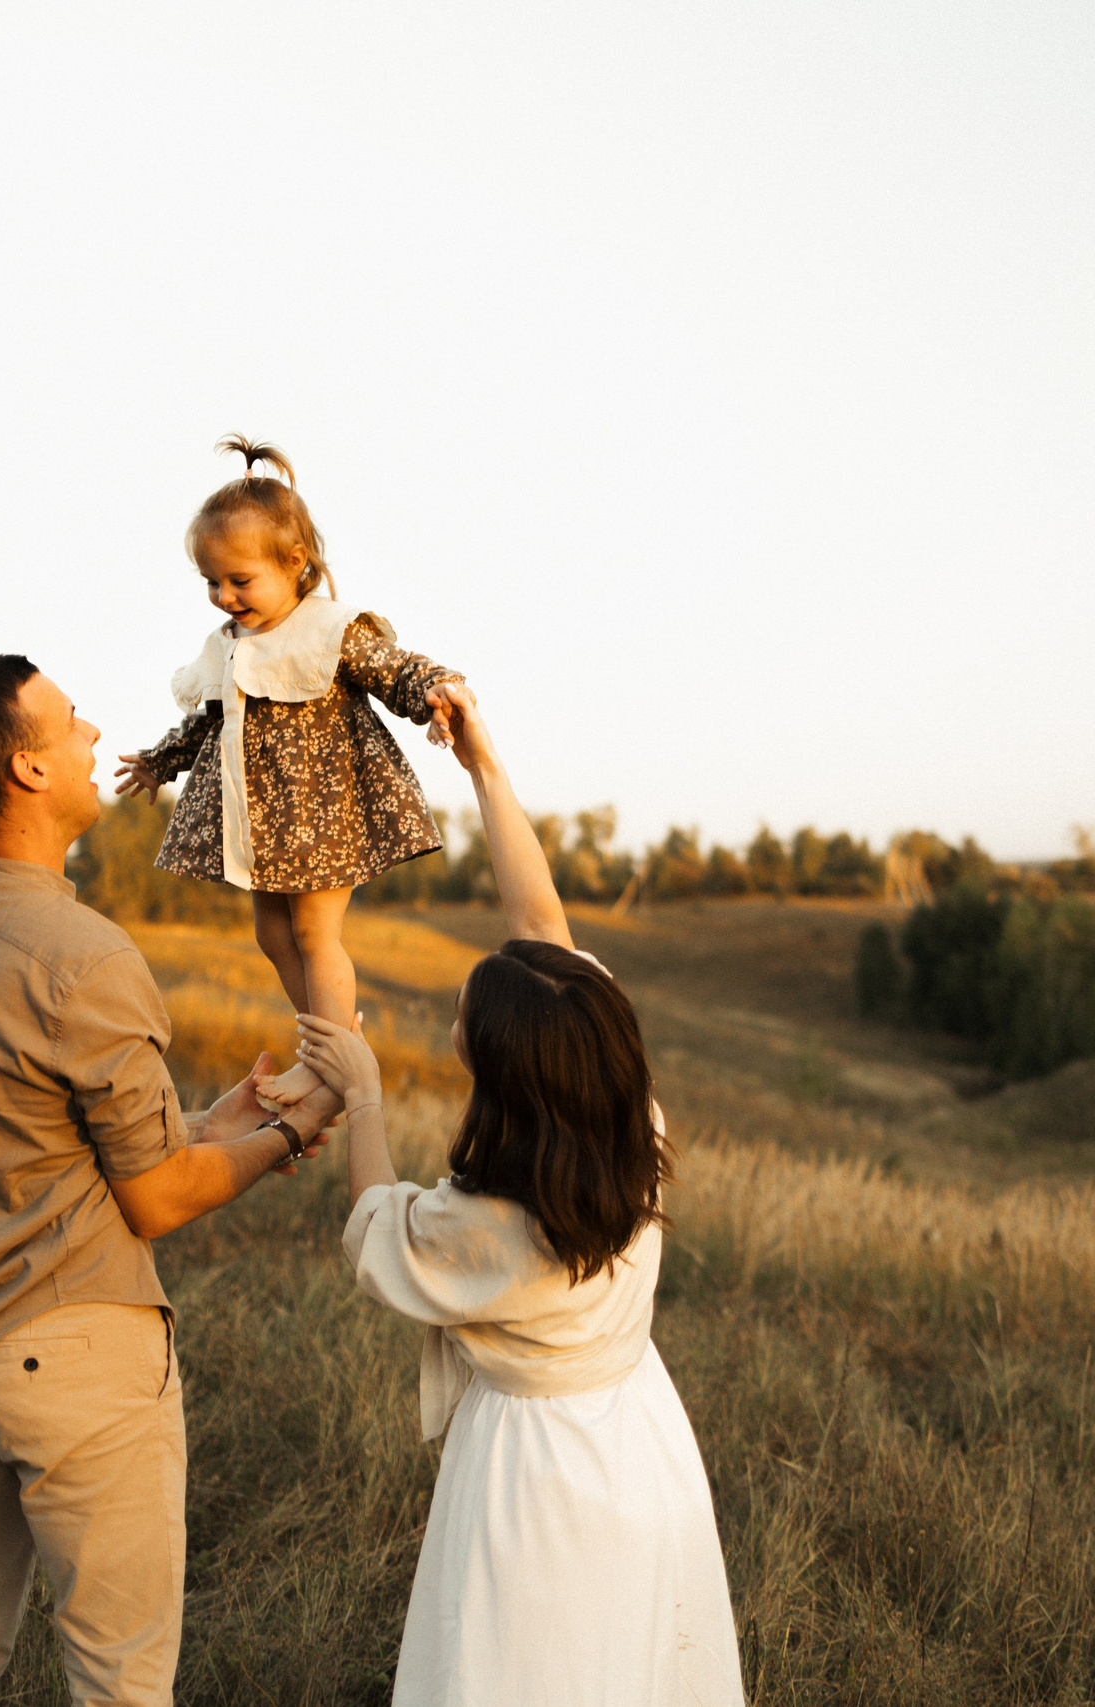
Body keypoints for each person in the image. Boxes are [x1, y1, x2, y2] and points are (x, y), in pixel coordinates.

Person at [0, 653, 343, 1706]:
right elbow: (158, 1199)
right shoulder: (84, 954)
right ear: (28, 771)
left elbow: (34, 1127)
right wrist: (291, 1134)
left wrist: (219, 1120)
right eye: (70, 721)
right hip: (68, 1351)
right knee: (120, 1681)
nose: (92, 736)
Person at [290, 683, 746, 1707]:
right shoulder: (633, 1125)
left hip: (532, 1471)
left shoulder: (487, 1223)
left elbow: (376, 1236)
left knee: (522, 1666)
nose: (457, 1020)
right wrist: (483, 767)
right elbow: (540, 923)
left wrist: (362, 1095)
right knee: (633, 1662)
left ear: (500, 1070)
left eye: (463, 1018)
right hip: (639, 1435)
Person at [113, 435, 463, 1111]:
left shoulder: (328, 629)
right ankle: (340, 1043)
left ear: (294, 562)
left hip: (321, 811)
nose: (223, 596)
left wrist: (436, 693)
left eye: (239, 580)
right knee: (271, 935)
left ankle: (327, 1061)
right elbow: (209, 723)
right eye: (212, 582)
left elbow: (396, 670)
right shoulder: (230, 646)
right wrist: (161, 761)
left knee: (313, 935)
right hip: (260, 823)